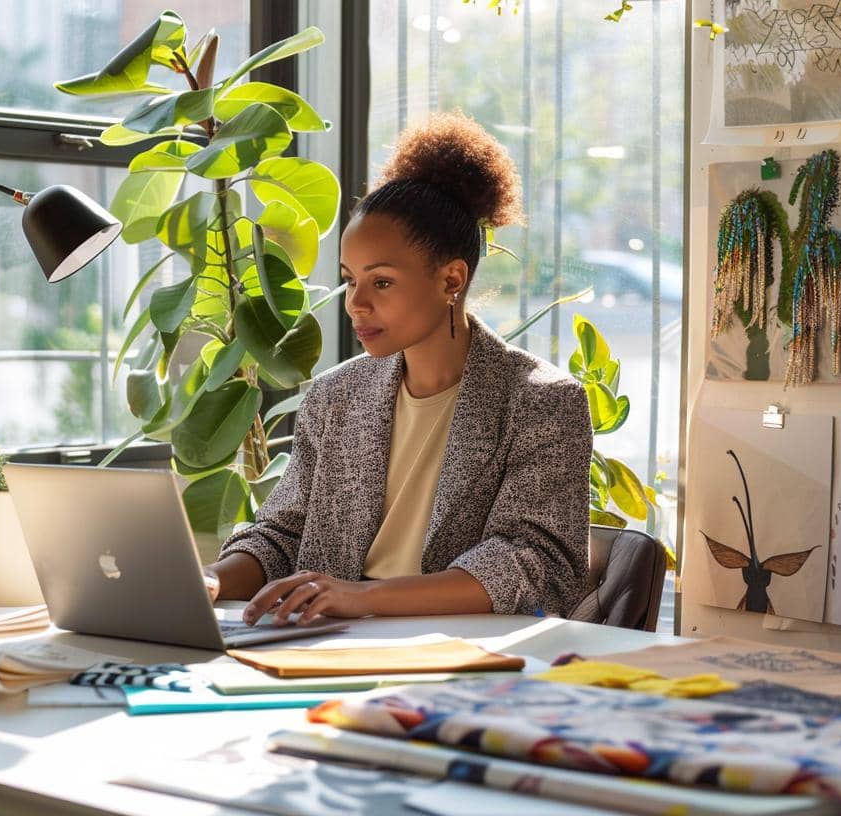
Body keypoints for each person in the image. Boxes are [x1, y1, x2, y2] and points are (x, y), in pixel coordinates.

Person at [204, 111, 593, 627]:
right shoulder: (335, 396)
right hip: (325, 641)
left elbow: (532, 562)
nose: (356, 304)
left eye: (381, 282)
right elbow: (282, 536)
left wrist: (364, 598)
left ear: (452, 279)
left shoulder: (542, 401)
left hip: (454, 651)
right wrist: (208, 581)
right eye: (350, 280)